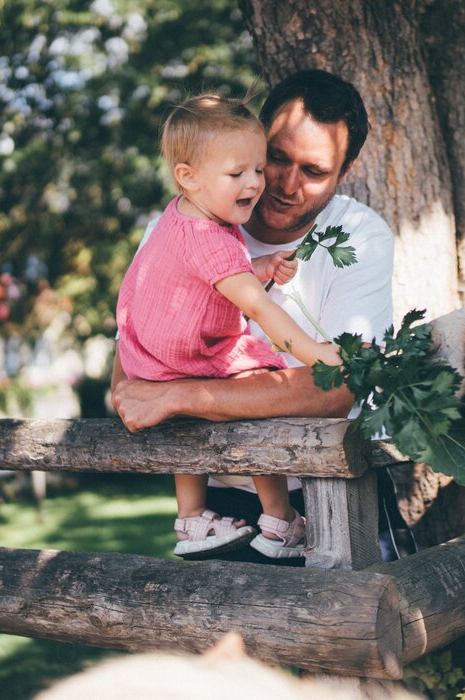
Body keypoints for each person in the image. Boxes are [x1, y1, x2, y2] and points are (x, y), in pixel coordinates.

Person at [112, 70, 406, 566]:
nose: (285, 186)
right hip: (218, 495)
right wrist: (144, 391)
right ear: (253, 140)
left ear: (347, 169)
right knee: (234, 644)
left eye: (313, 172)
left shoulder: (359, 236)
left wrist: (179, 395)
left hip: (328, 486)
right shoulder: (176, 227)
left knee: (364, 634)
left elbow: (336, 387)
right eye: (276, 159)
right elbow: (133, 365)